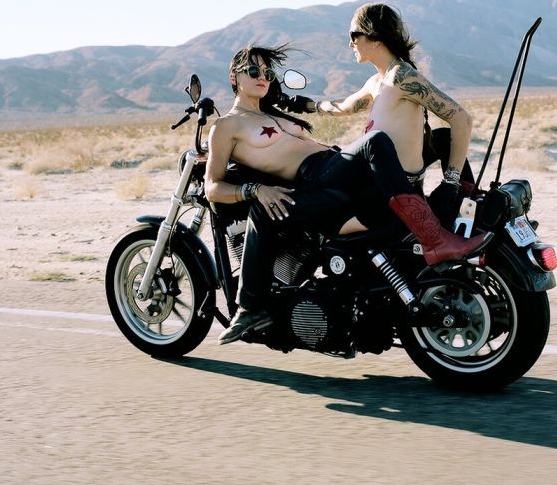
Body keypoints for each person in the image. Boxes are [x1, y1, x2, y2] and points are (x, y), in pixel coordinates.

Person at [204, 44, 492, 345]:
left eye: (267, 71)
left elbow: (338, 108)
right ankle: (434, 238)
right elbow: (213, 188)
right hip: (316, 179)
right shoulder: (226, 126)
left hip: (334, 170)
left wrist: (307, 105)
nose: (262, 76)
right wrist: (254, 190)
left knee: (440, 139)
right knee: (375, 141)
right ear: (234, 76)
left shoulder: (273, 115)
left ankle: (462, 211)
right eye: (253, 70)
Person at [281, 2, 476, 227]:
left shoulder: (401, 76)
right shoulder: (377, 83)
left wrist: (451, 183)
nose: (350, 43)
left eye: (354, 35)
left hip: (392, 192)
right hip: (381, 186)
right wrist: (307, 106)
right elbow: (343, 107)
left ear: (375, 37)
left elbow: (462, 119)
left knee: (317, 218)